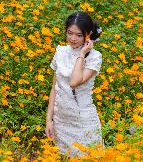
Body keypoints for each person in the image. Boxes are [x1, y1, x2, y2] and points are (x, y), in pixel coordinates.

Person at [45, 11, 105, 157]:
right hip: (61, 120)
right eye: (69, 33)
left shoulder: (94, 57)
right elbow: (54, 88)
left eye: (78, 35)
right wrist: (49, 120)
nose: (72, 39)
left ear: (88, 35)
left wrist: (82, 53)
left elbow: (74, 82)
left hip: (83, 121)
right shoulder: (60, 51)